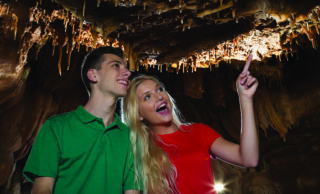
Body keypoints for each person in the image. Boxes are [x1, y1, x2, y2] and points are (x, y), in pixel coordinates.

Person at [122, 55, 259, 194]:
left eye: (159, 89)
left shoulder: (199, 132)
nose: (159, 96)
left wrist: (245, 99)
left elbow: (249, 159)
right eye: (147, 97)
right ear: (138, 114)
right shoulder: (138, 150)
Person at [23, 46, 141, 194]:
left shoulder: (131, 137)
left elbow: (132, 192)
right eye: (116, 66)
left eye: (127, 68)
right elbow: (43, 189)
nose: (128, 73)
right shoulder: (56, 128)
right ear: (93, 75)